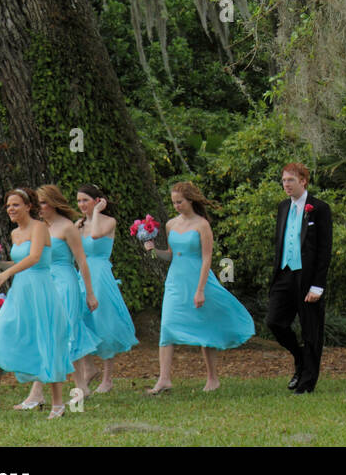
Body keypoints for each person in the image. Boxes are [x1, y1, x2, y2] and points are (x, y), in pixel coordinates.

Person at [0, 188, 71, 420]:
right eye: (8, 206)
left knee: (47, 342)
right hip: (20, 292)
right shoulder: (15, 234)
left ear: (28, 206)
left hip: (41, 291)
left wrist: (6, 275)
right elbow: (18, 261)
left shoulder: (40, 228)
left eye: (15, 205)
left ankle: (58, 404)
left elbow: (34, 258)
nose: (11, 210)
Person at [144, 182, 254, 393]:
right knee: (167, 326)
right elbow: (170, 254)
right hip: (176, 281)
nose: (176, 206)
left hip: (198, 279)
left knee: (206, 326)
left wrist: (201, 289)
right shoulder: (170, 224)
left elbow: (207, 258)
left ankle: (212, 378)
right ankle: (164, 379)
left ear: (190, 200)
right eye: (174, 202)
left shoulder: (202, 225)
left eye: (180, 202)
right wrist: (152, 250)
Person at [14, 184, 100, 409]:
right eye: (37, 203)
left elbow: (82, 261)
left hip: (66, 283)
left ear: (52, 203)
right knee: (51, 335)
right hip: (45, 284)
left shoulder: (67, 227)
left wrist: (89, 293)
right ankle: (81, 388)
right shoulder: (39, 228)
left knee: (59, 336)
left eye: (43, 203)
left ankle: (37, 393)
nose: (39, 208)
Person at [267, 163, 332, 393]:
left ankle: (307, 383)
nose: (286, 184)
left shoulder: (319, 208)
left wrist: (318, 285)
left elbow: (324, 250)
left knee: (311, 330)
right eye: (284, 180)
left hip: (308, 277)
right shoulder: (283, 207)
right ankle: (300, 357)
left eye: (290, 180)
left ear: (303, 181)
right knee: (274, 321)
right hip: (285, 273)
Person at [75, 184, 139, 392]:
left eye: (86, 200)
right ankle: (88, 367)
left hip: (100, 272)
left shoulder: (109, 221)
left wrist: (96, 214)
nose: (82, 204)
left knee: (104, 320)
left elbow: (94, 236)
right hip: (82, 274)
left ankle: (107, 378)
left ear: (97, 201)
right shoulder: (79, 224)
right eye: (79, 201)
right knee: (79, 319)